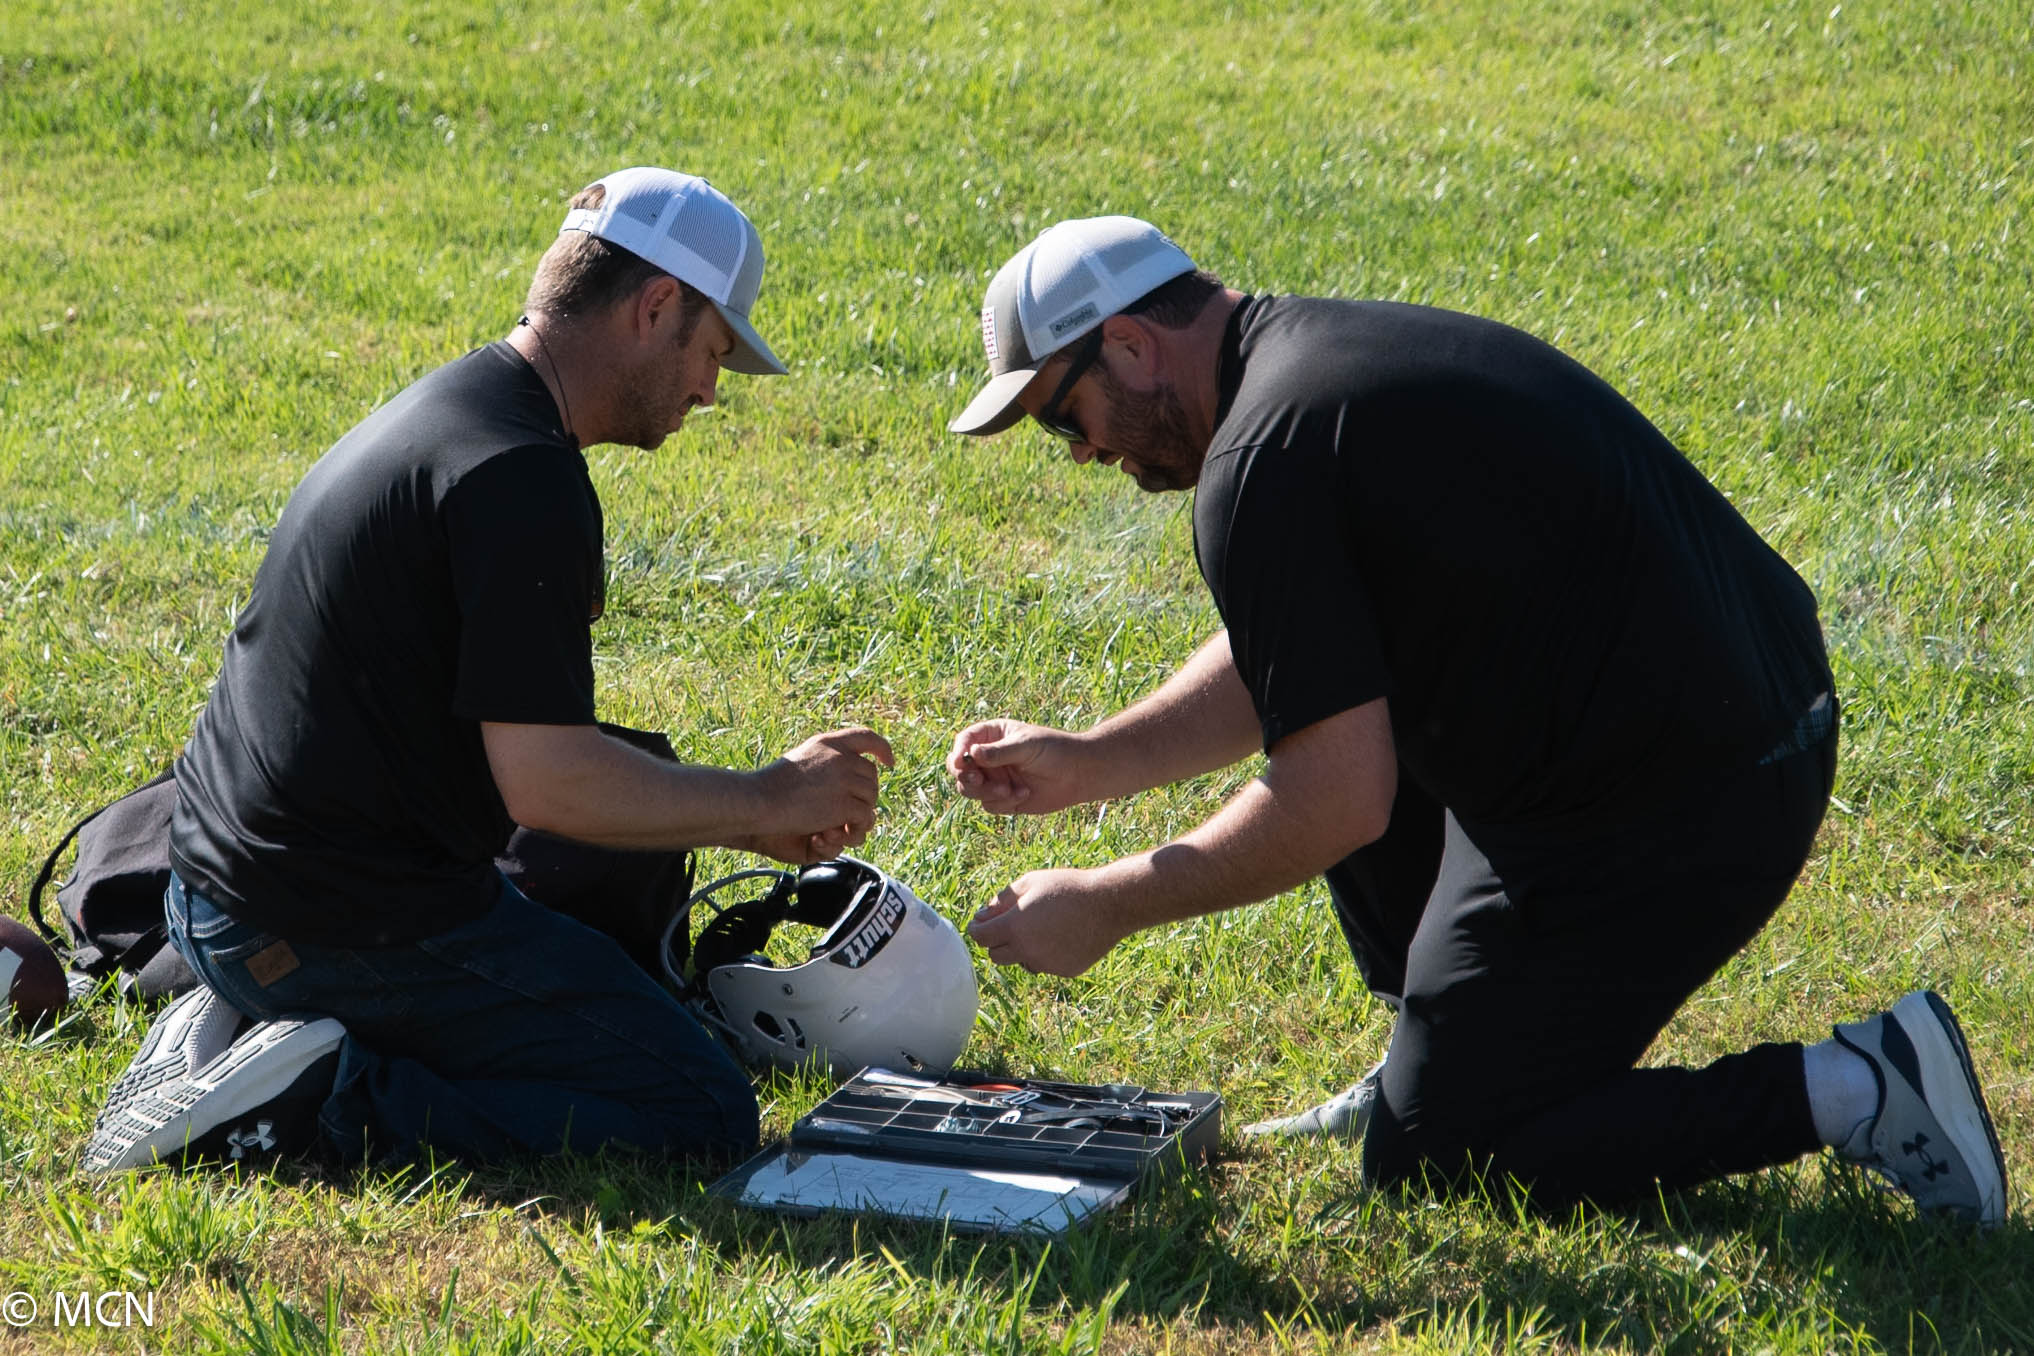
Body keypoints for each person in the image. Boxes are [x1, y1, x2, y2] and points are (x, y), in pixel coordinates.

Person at [942, 215, 2009, 1223]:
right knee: (1351, 713)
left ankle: (1856, 1085)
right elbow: (1307, 653)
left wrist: (1108, 905)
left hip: (1697, 793)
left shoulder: (1262, 458)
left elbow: (1335, 800)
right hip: (1732, 717)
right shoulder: (1310, 366)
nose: (1079, 453)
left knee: (1443, 1156)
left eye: (1061, 417)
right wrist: (1094, 760)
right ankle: (1441, 1049)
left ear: (1131, 345)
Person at [86, 167, 894, 1173]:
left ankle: (242, 1024)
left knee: (597, 993)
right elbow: (550, 787)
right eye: (713, 351)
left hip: (218, 893)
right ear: (655, 307)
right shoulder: (523, 478)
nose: (708, 390)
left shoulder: (456, 406)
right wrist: (765, 800)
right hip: (322, 924)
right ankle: (312, 1100)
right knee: (698, 1107)